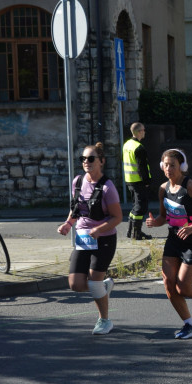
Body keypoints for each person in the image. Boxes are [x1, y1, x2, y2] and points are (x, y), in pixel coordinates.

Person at [146, 149, 192, 339]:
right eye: (166, 165)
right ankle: (189, 324)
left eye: (173, 165)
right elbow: (164, 216)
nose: (169, 169)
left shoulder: (190, 186)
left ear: (181, 167)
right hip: (173, 239)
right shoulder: (163, 189)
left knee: (183, 288)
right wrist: (156, 223)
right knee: (168, 284)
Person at [57, 143, 124, 335]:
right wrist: (68, 224)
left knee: (93, 283)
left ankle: (104, 320)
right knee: (76, 284)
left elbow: (117, 217)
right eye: (83, 159)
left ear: (101, 161)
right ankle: (102, 287)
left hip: (104, 240)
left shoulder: (107, 187)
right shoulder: (77, 181)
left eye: (91, 158)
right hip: (83, 239)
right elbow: (76, 209)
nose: (86, 162)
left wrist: (99, 229)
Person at [122, 122, 154, 240]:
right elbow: (142, 167)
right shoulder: (139, 147)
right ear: (139, 132)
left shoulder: (127, 145)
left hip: (129, 180)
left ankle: (130, 231)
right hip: (139, 181)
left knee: (135, 206)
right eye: (143, 130)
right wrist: (147, 182)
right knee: (140, 207)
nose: (145, 132)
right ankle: (137, 233)